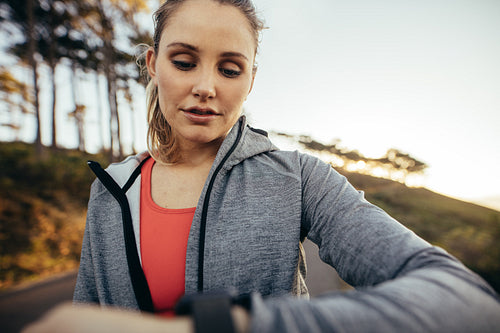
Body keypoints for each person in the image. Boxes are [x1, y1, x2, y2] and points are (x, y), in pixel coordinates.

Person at [23, 0, 500, 332]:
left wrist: (223, 327)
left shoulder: (299, 178)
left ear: (251, 79)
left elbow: (468, 303)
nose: (206, 86)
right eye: (184, 61)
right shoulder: (110, 188)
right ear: (152, 64)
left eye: (230, 69)